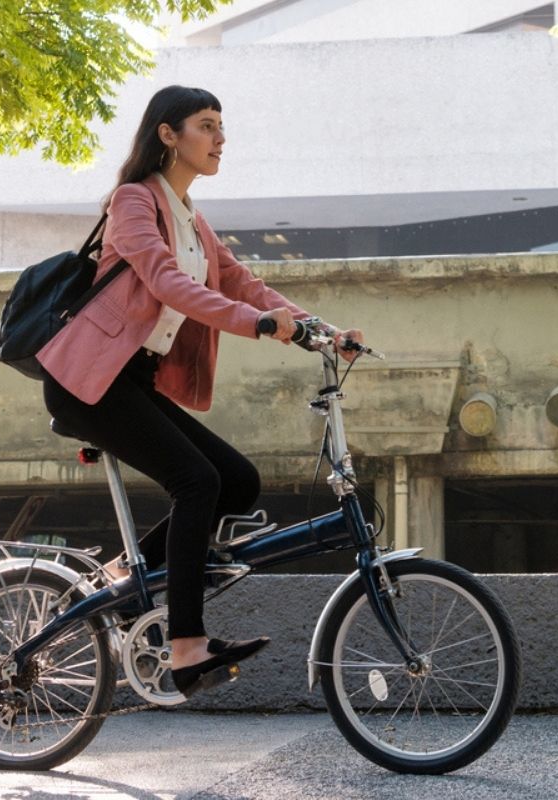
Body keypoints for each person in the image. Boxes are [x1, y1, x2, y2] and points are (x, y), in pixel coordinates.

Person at [35, 85, 366, 698]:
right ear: (168, 134)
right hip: (88, 380)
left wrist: (320, 330)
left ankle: (120, 577)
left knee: (235, 481)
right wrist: (257, 327)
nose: (220, 138)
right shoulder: (133, 203)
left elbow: (244, 282)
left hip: (130, 381)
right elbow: (162, 281)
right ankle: (185, 644)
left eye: (222, 126)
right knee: (196, 481)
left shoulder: (191, 218)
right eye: (207, 125)